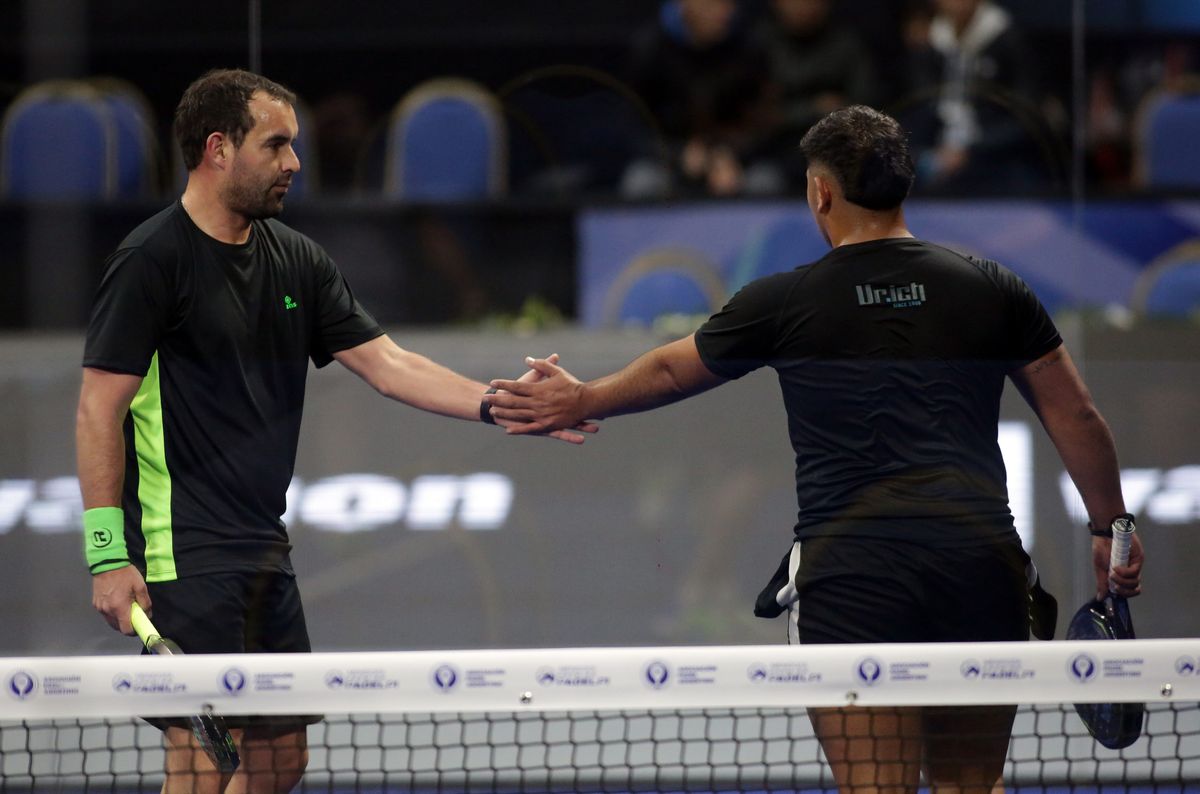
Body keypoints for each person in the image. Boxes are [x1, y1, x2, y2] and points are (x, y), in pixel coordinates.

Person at [486, 105, 1144, 793]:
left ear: (820, 194)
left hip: (854, 578)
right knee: (971, 786)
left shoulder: (786, 300)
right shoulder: (993, 288)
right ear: (903, 189)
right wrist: (1111, 530)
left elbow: (668, 370)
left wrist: (583, 398)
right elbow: (1079, 415)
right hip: (978, 565)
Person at [76, 68, 593, 794]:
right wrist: (106, 556)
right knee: (197, 766)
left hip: (262, 546)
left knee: (280, 758)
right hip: (180, 550)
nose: (294, 163)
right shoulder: (150, 261)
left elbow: (387, 363)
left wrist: (500, 404)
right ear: (218, 148)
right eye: (277, 144)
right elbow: (99, 407)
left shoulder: (296, 257)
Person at [621, 0, 770, 198]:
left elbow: (765, 121)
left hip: (735, 157)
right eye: (712, 4)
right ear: (684, 5)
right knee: (641, 182)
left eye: (729, 4)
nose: (724, 12)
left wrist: (729, 154)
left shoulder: (750, 47)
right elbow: (632, 128)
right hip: (667, 159)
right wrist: (679, 155)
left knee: (765, 181)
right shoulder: (650, 49)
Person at [904, 0, 1045, 193]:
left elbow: (1026, 116)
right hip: (936, 155)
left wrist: (972, 151)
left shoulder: (1008, 38)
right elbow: (921, 107)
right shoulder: (929, 44)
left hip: (997, 158)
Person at [746, 0, 878, 192]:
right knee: (759, 182)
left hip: (838, 157)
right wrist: (814, 109)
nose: (802, 6)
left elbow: (866, 109)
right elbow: (757, 116)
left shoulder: (847, 44)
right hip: (774, 154)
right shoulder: (760, 46)